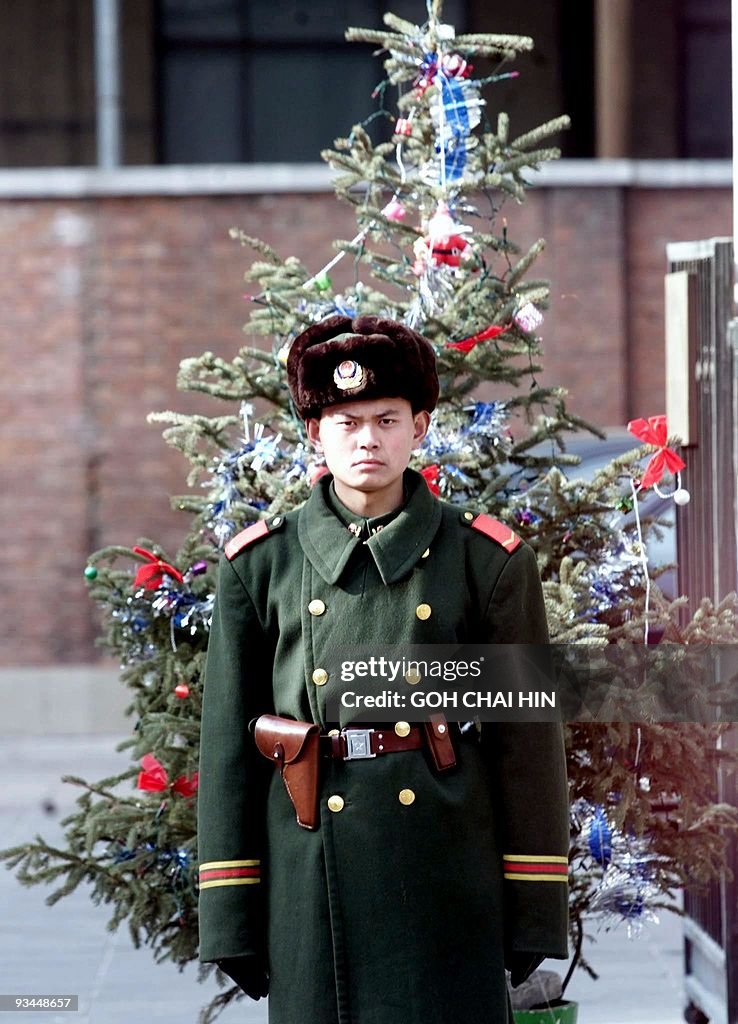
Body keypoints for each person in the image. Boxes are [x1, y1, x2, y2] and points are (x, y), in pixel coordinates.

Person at [196, 314, 570, 1024]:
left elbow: (527, 750)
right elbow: (227, 753)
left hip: (443, 867)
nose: (368, 440)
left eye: (387, 419)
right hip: (309, 870)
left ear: (420, 426)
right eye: (346, 422)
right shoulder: (260, 567)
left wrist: (533, 904)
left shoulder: (487, 562)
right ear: (315, 433)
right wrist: (231, 912)